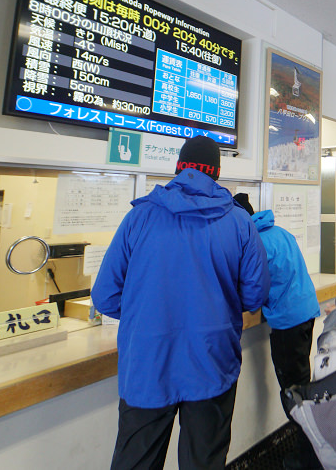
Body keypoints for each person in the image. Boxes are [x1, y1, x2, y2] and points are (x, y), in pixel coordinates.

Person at [92, 136, 270, 470]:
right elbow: (254, 296)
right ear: (216, 173)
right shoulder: (239, 222)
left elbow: (105, 297)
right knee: (204, 461)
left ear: (178, 168)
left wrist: (144, 315)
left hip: (146, 363)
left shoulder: (139, 216)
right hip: (211, 361)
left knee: (136, 462)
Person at [232, 192, 321, 470]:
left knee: (293, 390)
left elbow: (253, 293)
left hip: (287, 321)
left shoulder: (256, 243)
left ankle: (309, 456)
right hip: (306, 312)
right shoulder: (279, 232)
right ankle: (313, 447)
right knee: (303, 383)